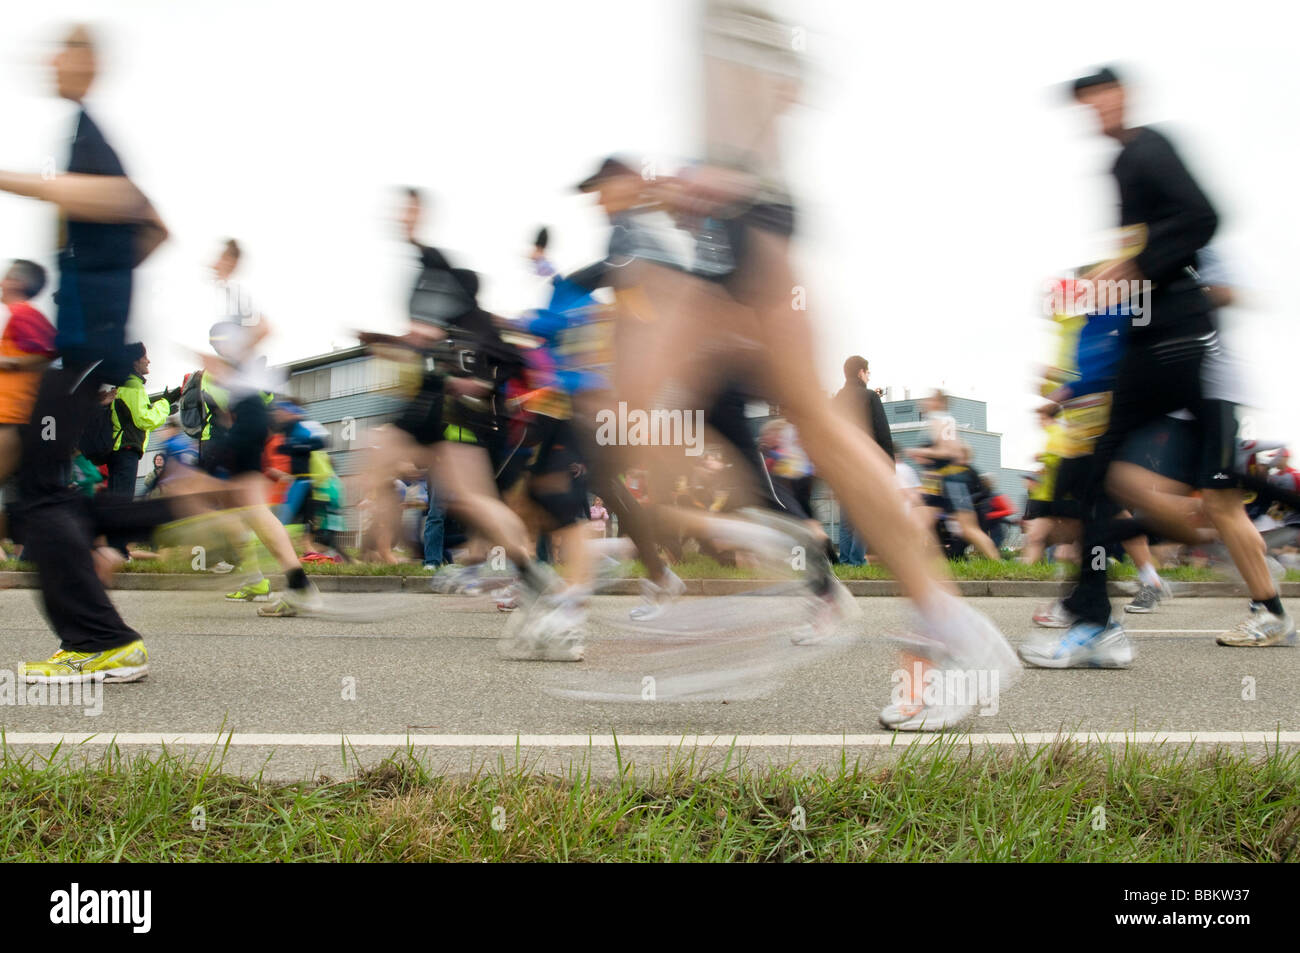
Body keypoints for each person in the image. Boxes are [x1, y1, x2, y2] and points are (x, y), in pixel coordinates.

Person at [1021, 67, 1291, 668]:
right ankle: (1096, 609)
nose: (1097, 114)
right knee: (1166, 491)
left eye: (1103, 99)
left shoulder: (1147, 150)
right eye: (1087, 106)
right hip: (1165, 346)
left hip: (1184, 348)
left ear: (1124, 96)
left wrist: (1132, 270)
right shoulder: (1124, 165)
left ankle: (1100, 617)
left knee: (1202, 497)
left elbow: (1202, 219)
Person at [0, 25, 175, 684]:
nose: (50, 59)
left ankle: (102, 640)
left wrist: (100, 300)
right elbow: (153, 227)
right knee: (46, 490)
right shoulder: (83, 132)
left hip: (83, 344)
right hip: (91, 341)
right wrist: (107, 284)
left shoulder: (87, 134)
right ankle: (202, 510)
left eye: (65, 47)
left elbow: (127, 204)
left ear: (89, 62)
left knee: (41, 492)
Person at [104, 343, 177, 556]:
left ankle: (114, 548)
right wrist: (164, 404)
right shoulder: (133, 386)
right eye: (145, 357)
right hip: (126, 450)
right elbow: (144, 419)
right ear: (135, 361)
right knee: (122, 501)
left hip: (120, 449)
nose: (148, 361)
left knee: (117, 500)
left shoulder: (125, 384)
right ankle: (117, 551)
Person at [0, 260, 57, 484]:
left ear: (18, 283)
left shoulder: (23, 313)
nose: (2, 282)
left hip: (11, 419)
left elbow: (51, 350)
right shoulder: (16, 315)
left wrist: (9, 363)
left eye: (7, 277)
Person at [832, 355, 893, 564]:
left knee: (847, 518)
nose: (868, 377)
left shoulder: (836, 400)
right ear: (861, 372)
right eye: (868, 372)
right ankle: (857, 560)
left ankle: (846, 560)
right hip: (865, 464)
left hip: (842, 466)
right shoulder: (869, 397)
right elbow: (882, 432)